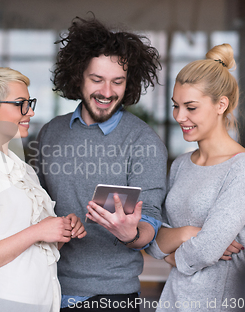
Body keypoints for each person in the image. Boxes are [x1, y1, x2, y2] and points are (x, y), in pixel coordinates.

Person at [33, 17, 167, 311]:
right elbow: (35, 207)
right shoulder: (50, 134)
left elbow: (151, 221)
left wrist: (130, 233)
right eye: (97, 80)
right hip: (44, 289)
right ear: (77, 76)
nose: (107, 92)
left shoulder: (143, 142)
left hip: (111, 298)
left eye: (117, 82)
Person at [0, 67, 87, 312]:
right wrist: (37, 231)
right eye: (20, 104)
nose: (30, 112)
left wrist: (61, 232)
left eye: (29, 103)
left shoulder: (24, 171)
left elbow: (38, 249)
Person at [146, 43, 245, 311]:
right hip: (174, 302)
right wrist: (190, 233)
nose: (179, 116)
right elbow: (153, 241)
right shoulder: (180, 165)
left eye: (191, 107)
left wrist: (175, 253)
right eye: (176, 106)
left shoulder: (244, 166)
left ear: (221, 104)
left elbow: (207, 249)